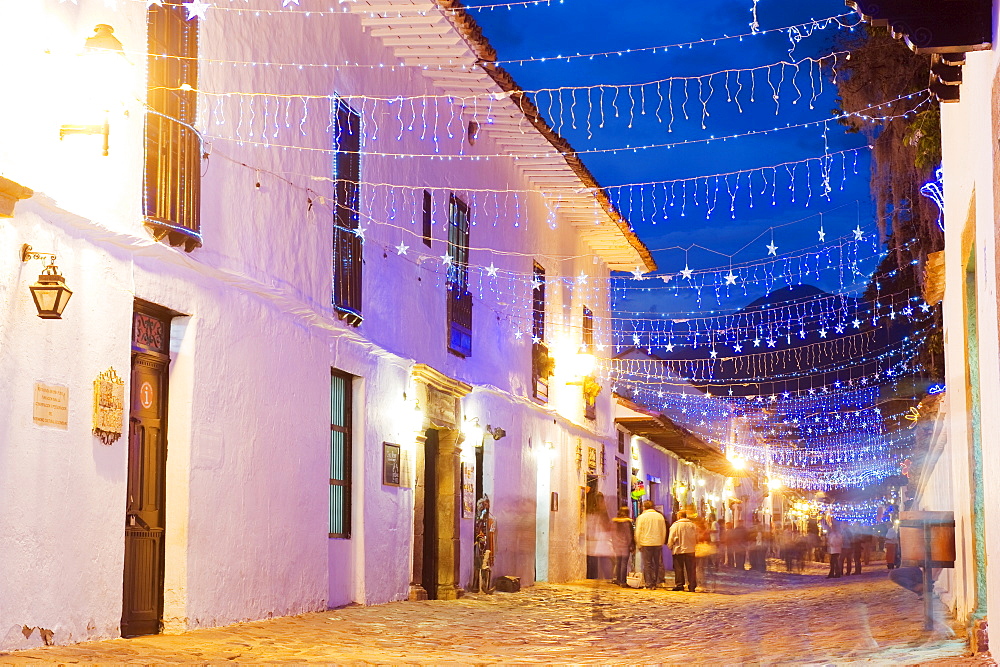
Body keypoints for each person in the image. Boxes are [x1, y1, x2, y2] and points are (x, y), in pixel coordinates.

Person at [635, 500, 666, 589]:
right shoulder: (660, 517)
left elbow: (638, 532)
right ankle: (655, 581)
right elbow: (663, 530)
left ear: (644, 507)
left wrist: (638, 543)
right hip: (657, 542)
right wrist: (662, 541)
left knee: (647, 563)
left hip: (646, 543)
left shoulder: (641, 517)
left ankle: (648, 583)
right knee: (657, 563)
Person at [668, 510, 698, 591]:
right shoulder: (692, 525)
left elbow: (671, 537)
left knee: (679, 568)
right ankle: (692, 585)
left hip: (679, 549)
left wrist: (670, 546)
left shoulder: (675, 526)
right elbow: (697, 536)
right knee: (691, 569)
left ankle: (680, 584)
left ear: (679, 516)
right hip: (690, 549)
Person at [610, 506, 635, 586]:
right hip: (624, 545)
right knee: (624, 563)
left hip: (617, 545)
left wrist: (614, 544)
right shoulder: (627, 522)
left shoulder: (615, 522)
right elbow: (629, 535)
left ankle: (617, 579)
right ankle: (623, 581)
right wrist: (630, 544)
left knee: (618, 562)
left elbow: (612, 534)